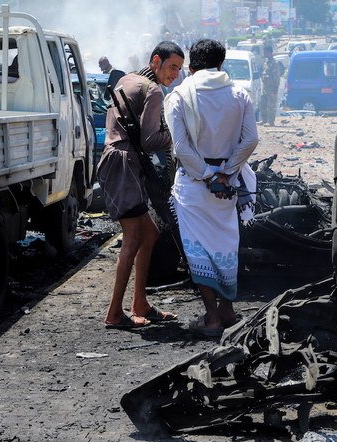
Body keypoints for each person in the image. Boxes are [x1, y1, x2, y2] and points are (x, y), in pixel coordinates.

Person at [164, 38, 258, 337]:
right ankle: (227, 311)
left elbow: (180, 147)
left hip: (194, 185)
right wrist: (226, 173)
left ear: (191, 67)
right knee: (225, 245)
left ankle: (213, 318)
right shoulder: (240, 95)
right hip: (227, 186)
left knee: (198, 251)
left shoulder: (179, 95)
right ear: (222, 64)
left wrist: (207, 175)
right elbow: (251, 140)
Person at [96, 41, 185, 329]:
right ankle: (114, 313)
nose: (175, 75)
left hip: (113, 161)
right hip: (124, 164)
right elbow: (149, 141)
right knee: (134, 237)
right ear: (156, 61)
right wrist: (176, 135)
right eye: (172, 67)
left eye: (179, 70)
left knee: (150, 233)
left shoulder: (127, 80)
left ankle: (140, 304)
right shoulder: (154, 90)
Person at [257, 44, 281, 127]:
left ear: (270, 52)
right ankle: (264, 120)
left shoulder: (274, 63)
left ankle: (271, 122)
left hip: (271, 88)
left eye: (265, 52)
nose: (264, 53)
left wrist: (276, 88)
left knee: (271, 106)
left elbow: (276, 77)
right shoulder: (266, 62)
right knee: (263, 104)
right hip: (265, 87)